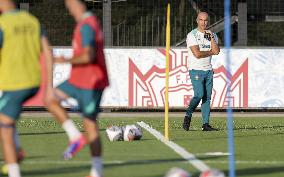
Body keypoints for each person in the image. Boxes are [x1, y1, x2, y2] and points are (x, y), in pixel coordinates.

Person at [44, 0, 109, 177]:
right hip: (77, 80)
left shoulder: (88, 24)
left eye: (71, 5)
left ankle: (97, 172)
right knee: (50, 98)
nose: (69, 9)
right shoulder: (85, 23)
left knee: (90, 126)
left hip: (91, 82)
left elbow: (88, 55)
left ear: (80, 4)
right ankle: (75, 136)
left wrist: (64, 60)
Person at [0, 0, 53, 176]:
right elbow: (47, 51)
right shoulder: (32, 20)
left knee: (4, 127)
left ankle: (14, 167)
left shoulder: (3, 23)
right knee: (6, 117)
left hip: (15, 83)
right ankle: (16, 153)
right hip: (33, 82)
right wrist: (49, 86)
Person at [183, 12, 220, 131]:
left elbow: (217, 51)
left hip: (208, 70)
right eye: (201, 20)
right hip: (196, 70)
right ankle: (188, 115)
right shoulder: (192, 35)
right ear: (197, 21)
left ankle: (205, 124)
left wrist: (212, 38)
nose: (203, 23)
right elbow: (197, 54)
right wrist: (211, 52)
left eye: (205, 20)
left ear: (208, 21)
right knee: (199, 94)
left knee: (207, 97)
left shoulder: (212, 35)